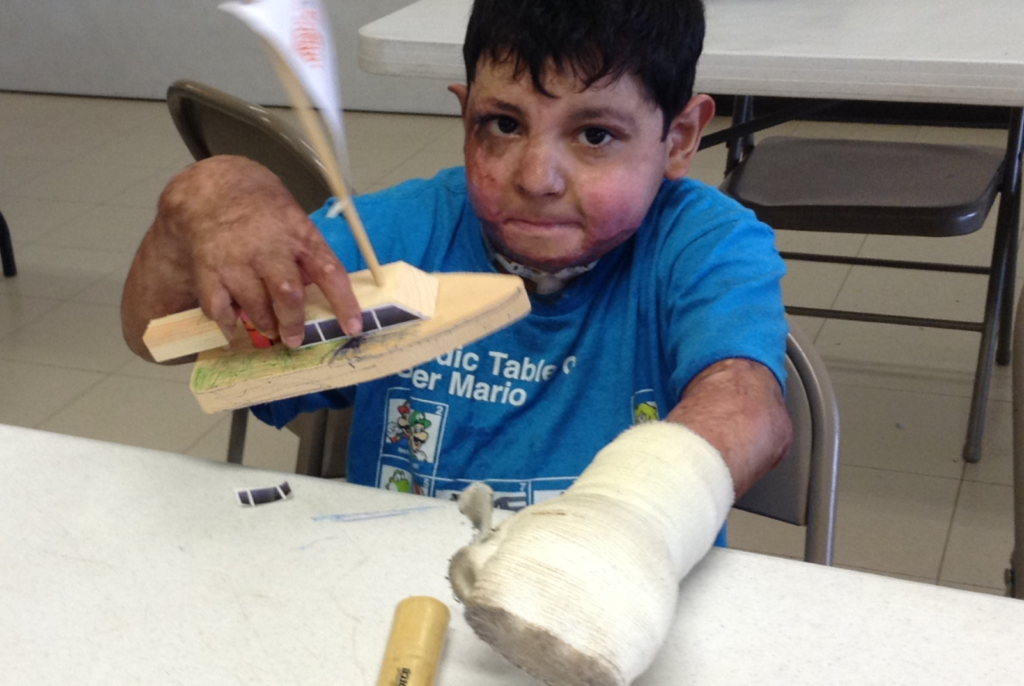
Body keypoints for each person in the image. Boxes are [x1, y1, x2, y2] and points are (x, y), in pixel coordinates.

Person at [123, 0, 792, 680]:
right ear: (464, 114)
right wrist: (203, 200)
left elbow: (747, 406)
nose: (537, 178)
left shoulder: (703, 247)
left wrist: (622, 526)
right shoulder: (393, 241)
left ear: (680, 137)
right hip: (391, 615)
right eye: (502, 125)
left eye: (595, 135)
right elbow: (157, 339)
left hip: (609, 626)